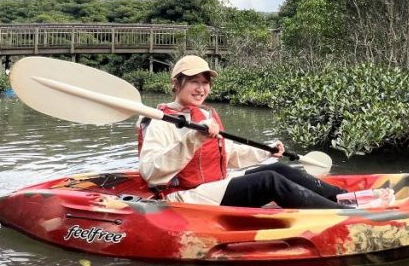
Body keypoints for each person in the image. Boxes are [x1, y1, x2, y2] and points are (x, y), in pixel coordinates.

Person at [138, 54, 348, 208]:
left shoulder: (205, 116)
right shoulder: (159, 121)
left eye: (205, 82)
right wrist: (194, 139)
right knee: (268, 180)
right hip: (183, 196)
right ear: (176, 83)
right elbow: (151, 174)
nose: (201, 89)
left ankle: (346, 197)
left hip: (212, 185)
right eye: (194, 82)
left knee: (278, 169)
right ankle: (344, 214)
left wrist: (266, 152)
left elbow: (228, 155)